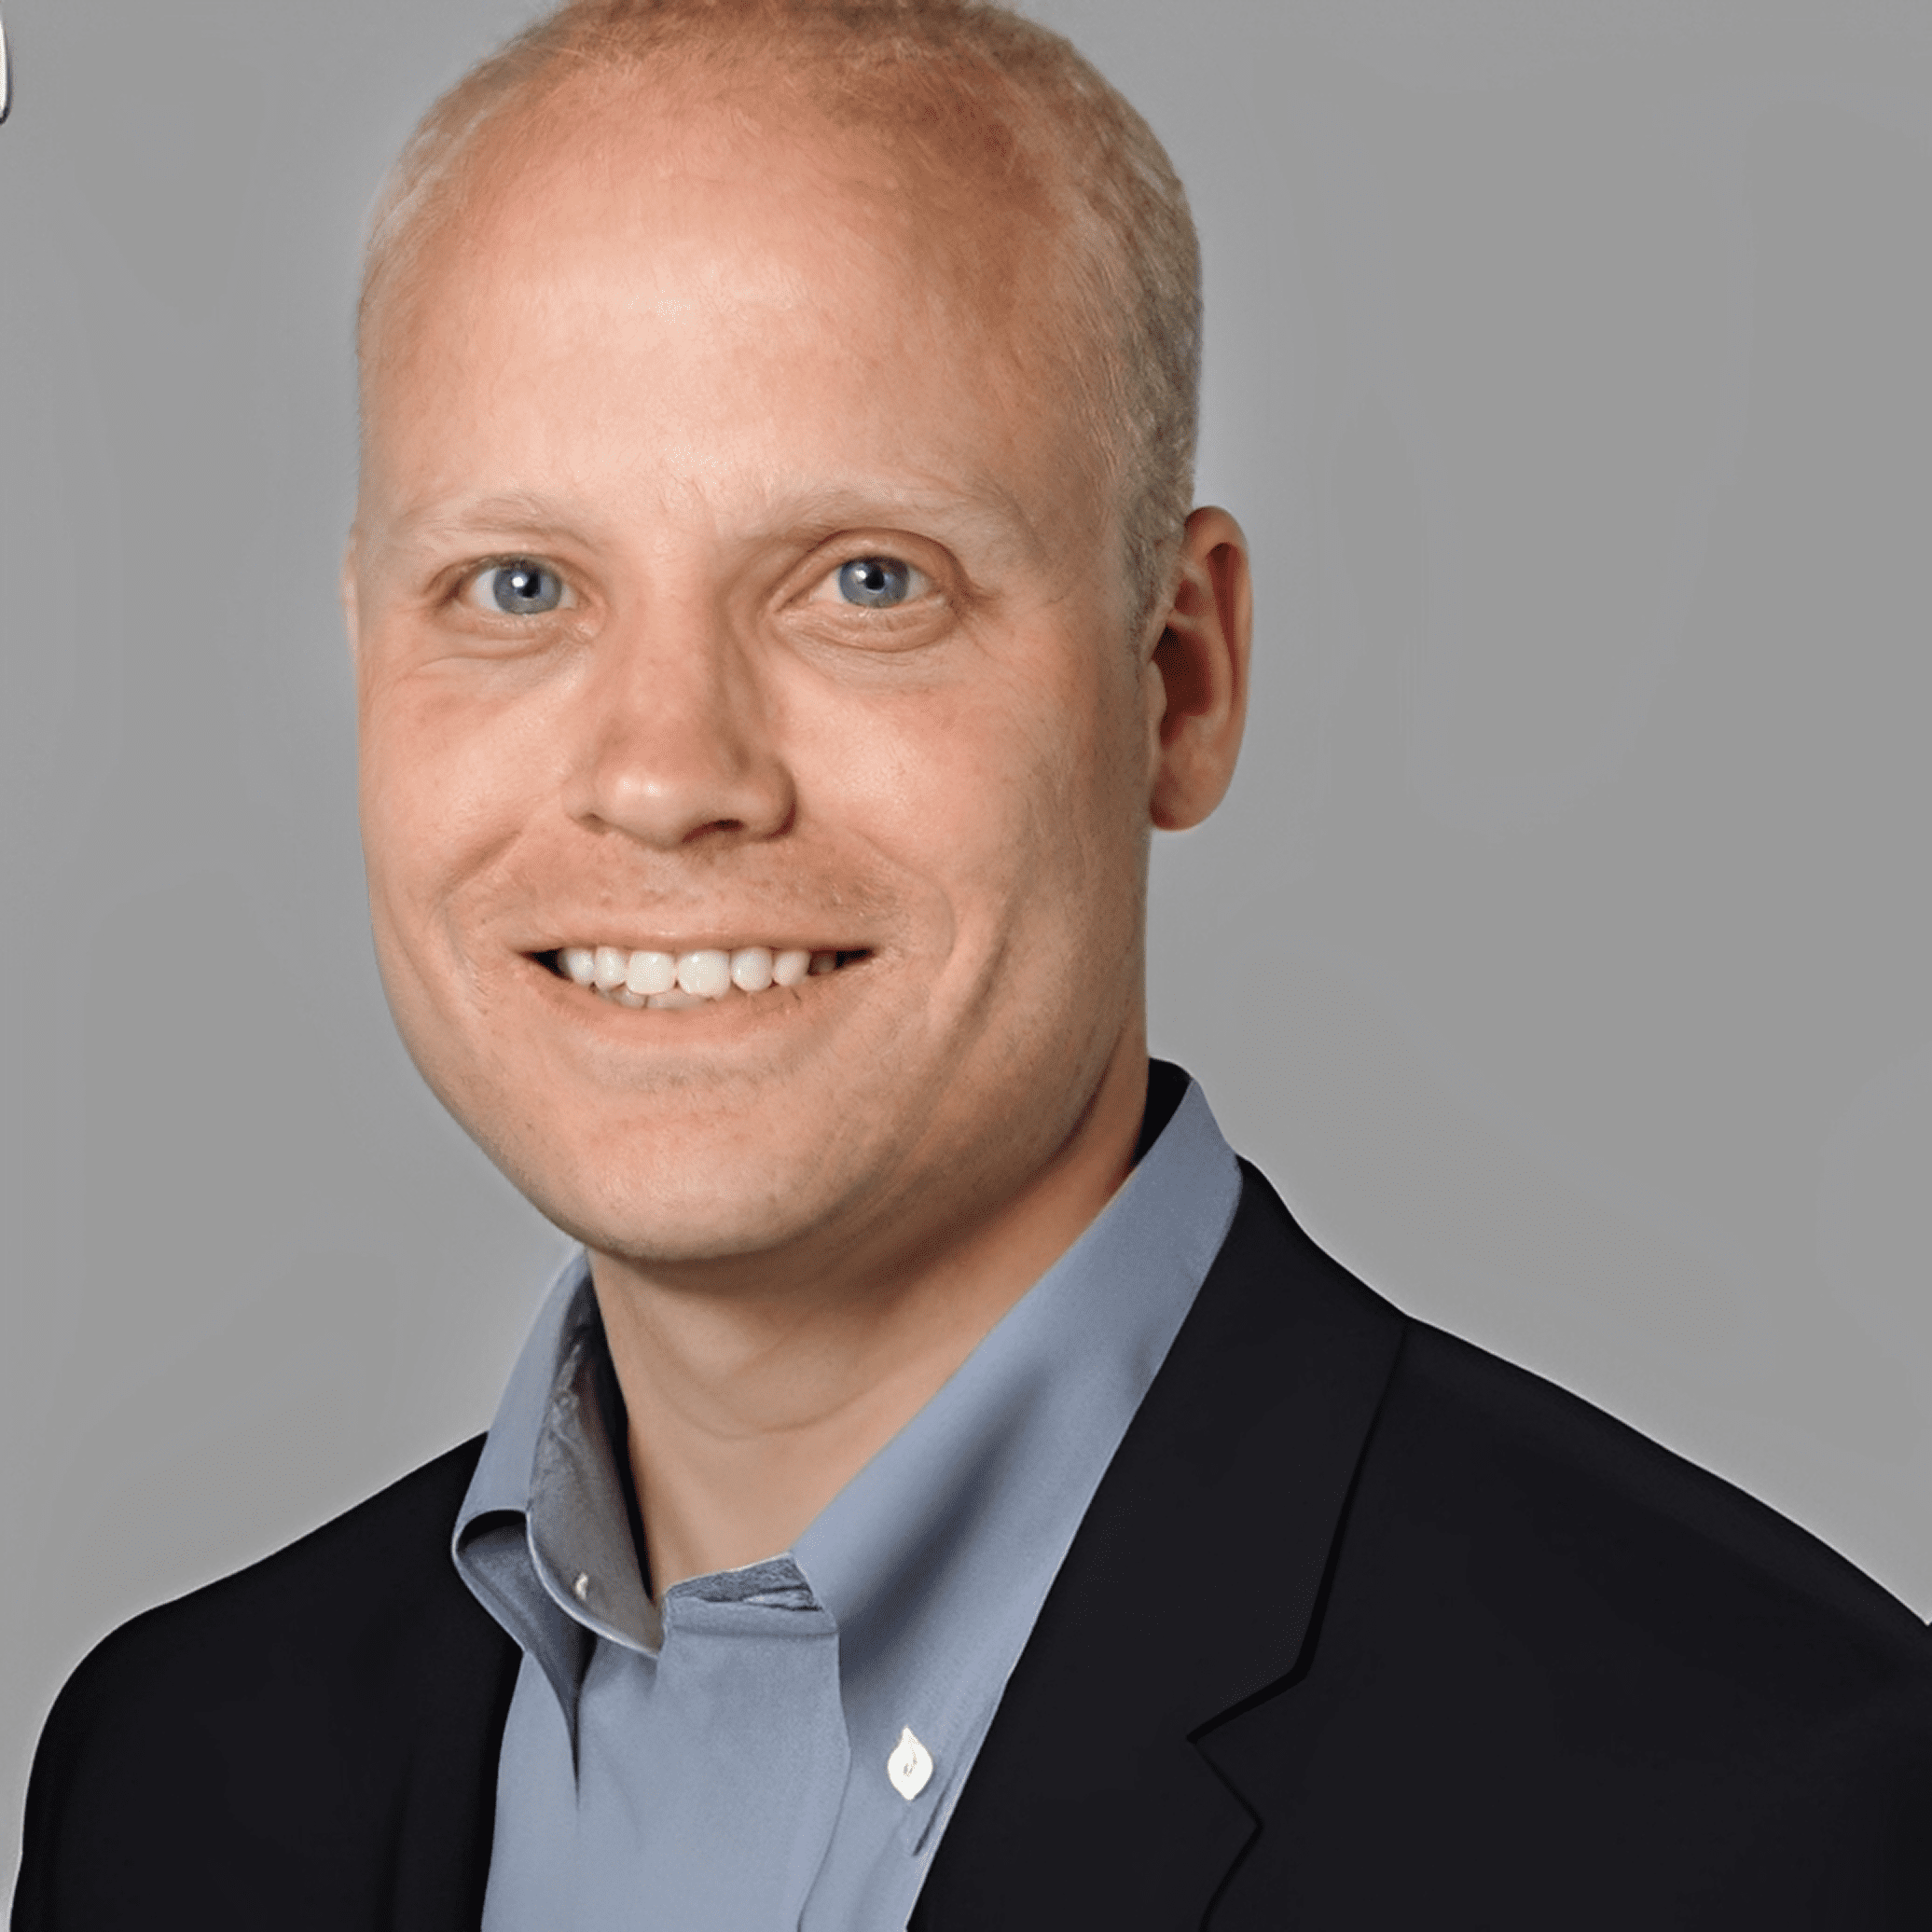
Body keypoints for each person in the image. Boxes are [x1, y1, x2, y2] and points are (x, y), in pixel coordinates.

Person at [13, 1, 1932, 1925]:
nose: (670, 772)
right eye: (519, 588)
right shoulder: (172, 1777)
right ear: (368, 658)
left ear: (1178, 674)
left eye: (867, 581)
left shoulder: (1772, 1816)